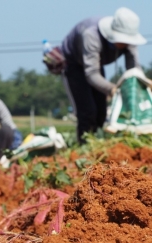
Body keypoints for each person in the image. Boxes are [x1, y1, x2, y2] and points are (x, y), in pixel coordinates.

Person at [60, 7, 147, 143]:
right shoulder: (91, 35)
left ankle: (97, 142)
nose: (125, 44)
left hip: (96, 65)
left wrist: (143, 85)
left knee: (101, 112)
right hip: (75, 65)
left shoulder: (129, 43)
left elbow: (134, 69)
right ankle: (84, 146)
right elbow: (91, 73)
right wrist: (113, 89)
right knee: (87, 111)